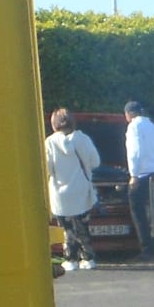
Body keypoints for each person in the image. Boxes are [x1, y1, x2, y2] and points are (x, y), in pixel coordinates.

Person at [44, 109, 102, 271]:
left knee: (67, 228)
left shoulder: (49, 142)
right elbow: (95, 162)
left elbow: (48, 168)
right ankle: (88, 258)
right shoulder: (83, 139)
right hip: (81, 190)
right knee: (82, 225)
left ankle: (71, 258)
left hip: (59, 193)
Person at [124, 99, 154, 258]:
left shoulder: (133, 127)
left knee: (138, 212)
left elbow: (134, 152)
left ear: (129, 114)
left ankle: (146, 249)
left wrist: (133, 174)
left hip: (141, 175)